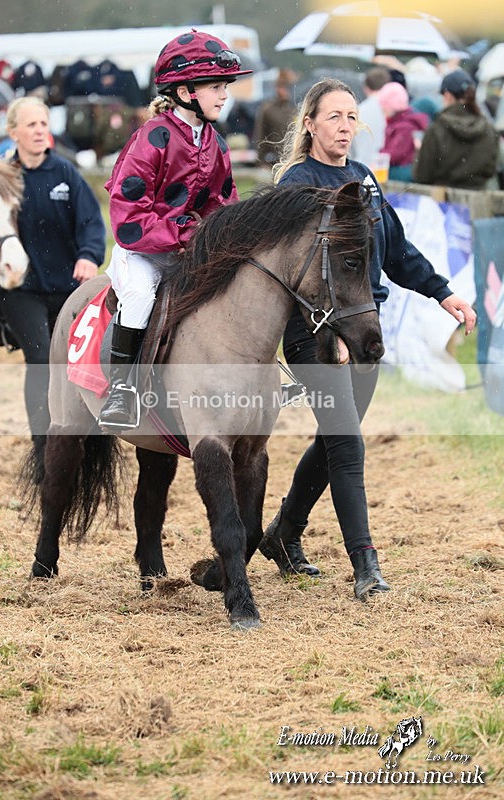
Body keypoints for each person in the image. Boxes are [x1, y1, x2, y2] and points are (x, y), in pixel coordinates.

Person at [258, 78, 476, 600]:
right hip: (311, 332)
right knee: (348, 441)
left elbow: (397, 251)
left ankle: (284, 534)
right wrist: (323, 334)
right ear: (309, 124)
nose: (345, 126)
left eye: (352, 116)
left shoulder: (364, 180)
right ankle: (366, 566)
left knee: (336, 438)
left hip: (364, 330)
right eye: (334, 116)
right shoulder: (296, 185)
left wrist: (443, 294)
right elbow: (283, 271)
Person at [98, 29, 252, 428]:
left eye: (225, 86)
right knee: (138, 296)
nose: (224, 95)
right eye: (216, 86)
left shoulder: (214, 142)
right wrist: (187, 234)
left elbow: (223, 203)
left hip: (189, 252)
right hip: (142, 254)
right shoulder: (151, 138)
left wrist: (231, 235)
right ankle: (123, 391)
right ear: (186, 93)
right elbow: (128, 218)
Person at [0, 96, 106, 451]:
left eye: (44, 123)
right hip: (20, 290)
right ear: (13, 133)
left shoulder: (65, 174)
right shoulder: (3, 178)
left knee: (75, 365)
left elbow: (91, 223)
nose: (40, 131)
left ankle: (81, 446)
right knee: (42, 360)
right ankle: (44, 453)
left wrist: (89, 256)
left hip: (69, 288)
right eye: (31, 125)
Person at [413, 69, 499, 189]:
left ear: (447, 95)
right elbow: (491, 169)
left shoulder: (436, 129)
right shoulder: (489, 130)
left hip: (441, 202)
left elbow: (422, 176)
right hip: (479, 201)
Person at [376, 81, 429, 182]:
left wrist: (381, 156)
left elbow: (396, 153)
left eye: (384, 107)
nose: (382, 110)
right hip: (403, 172)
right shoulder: (400, 123)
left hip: (402, 176)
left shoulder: (405, 126)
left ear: (392, 106)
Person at [253, 69, 297, 166]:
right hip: (273, 159)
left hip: (293, 158)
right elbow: (260, 136)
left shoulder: (295, 109)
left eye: (289, 87)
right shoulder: (267, 109)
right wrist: (260, 161)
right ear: (278, 88)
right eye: (283, 87)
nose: (286, 91)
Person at [350, 66, 391, 166]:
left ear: (366, 88)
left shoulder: (357, 111)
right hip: (385, 166)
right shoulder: (392, 109)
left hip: (361, 165)